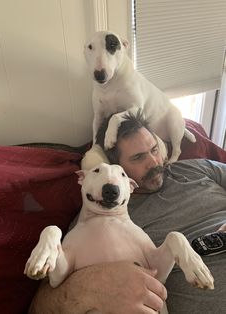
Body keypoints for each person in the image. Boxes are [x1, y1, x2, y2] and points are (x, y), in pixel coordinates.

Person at [29, 111, 226, 314]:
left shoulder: (198, 168)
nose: (154, 162)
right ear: (119, 168)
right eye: (138, 157)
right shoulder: (99, 215)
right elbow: (44, 301)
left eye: (154, 149)